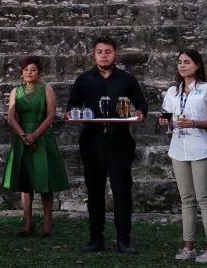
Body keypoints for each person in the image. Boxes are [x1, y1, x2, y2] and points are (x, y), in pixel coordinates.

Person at [65, 38, 148, 255]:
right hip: (92, 142)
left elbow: (141, 104)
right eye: (100, 52)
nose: (104, 55)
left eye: (108, 52)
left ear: (115, 54)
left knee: (122, 191)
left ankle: (123, 240)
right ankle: (96, 238)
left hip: (120, 141)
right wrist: (70, 113)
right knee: (94, 191)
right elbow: (72, 105)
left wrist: (139, 113)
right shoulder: (83, 80)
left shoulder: (127, 79)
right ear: (94, 55)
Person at [158, 50, 207, 263]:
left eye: (187, 62)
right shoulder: (172, 91)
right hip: (178, 148)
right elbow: (167, 116)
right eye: (179, 62)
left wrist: (195, 123)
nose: (182, 66)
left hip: (201, 148)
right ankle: (189, 247)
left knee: (203, 197)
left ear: (197, 65)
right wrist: (163, 121)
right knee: (186, 199)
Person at [2, 55, 68, 237]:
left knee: (45, 182)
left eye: (33, 70)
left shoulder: (47, 89)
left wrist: (35, 135)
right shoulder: (16, 91)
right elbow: (11, 117)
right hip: (22, 137)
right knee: (26, 182)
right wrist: (23, 135)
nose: (29, 73)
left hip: (42, 138)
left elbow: (51, 116)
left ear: (39, 73)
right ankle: (28, 223)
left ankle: (47, 224)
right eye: (26, 70)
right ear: (22, 73)